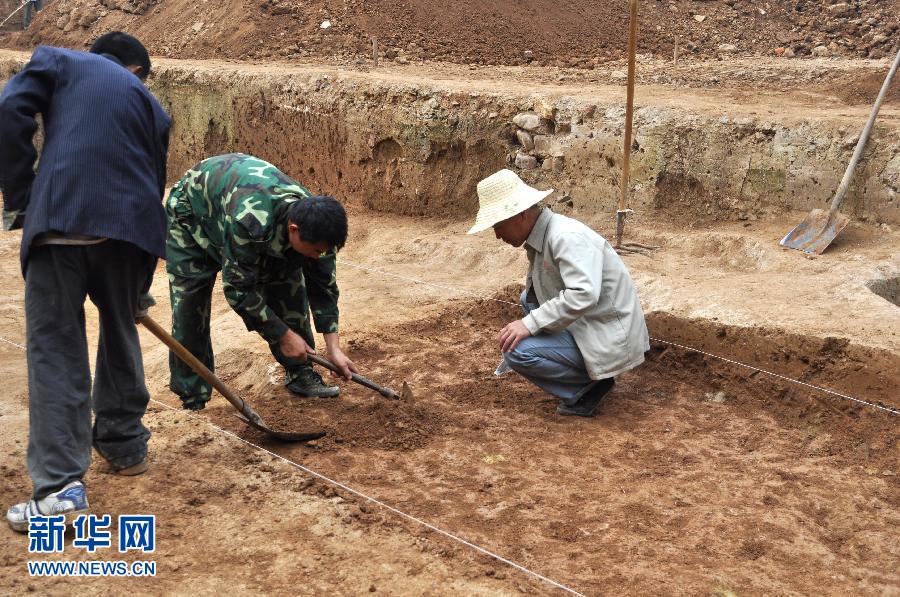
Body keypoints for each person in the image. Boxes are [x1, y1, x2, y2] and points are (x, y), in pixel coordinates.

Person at [0, 32, 171, 532]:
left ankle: (59, 488)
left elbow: (9, 110)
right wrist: (139, 279)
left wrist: (22, 194)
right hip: (132, 231)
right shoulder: (152, 106)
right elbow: (153, 179)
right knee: (121, 329)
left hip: (64, 218)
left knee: (56, 349)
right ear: (134, 68)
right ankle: (126, 445)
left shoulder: (60, 61)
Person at [165, 153, 357, 411]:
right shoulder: (250, 221)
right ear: (294, 229)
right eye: (315, 250)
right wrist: (283, 335)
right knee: (190, 304)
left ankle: (300, 373)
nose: (319, 255)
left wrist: (333, 348)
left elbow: (323, 288)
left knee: (288, 283)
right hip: (193, 215)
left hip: (239, 209)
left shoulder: (320, 231)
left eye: (324, 250)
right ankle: (192, 395)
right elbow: (239, 292)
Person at [468, 169, 649, 417]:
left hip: (609, 334)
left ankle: (589, 386)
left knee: (516, 352)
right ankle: (585, 373)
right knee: (528, 300)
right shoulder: (544, 236)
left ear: (520, 214)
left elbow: (583, 294)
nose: (497, 234)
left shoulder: (566, 237)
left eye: (498, 225)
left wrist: (529, 324)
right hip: (593, 325)